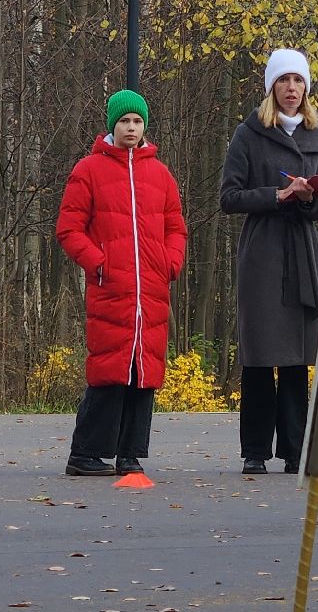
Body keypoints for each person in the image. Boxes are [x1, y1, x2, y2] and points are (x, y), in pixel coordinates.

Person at [56, 90, 188, 477]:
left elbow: (176, 227)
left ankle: (130, 454)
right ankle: (85, 454)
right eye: (124, 121)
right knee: (109, 369)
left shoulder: (160, 174)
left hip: (151, 289)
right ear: (112, 124)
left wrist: (170, 263)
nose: (131, 127)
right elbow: (69, 229)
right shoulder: (89, 170)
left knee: (143, 372)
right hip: (111, 286)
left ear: (145, 125)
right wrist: (99, 264)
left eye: (137, 121)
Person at [220, 48, 318, 475]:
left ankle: (294, 450)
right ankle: (255, 451)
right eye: (284, 81)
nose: (291, 88)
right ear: (272, 87)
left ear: (307, 88)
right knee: (260, 354)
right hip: (263, 254)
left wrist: (307, 199)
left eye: (298, 81)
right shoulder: (247, 134)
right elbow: (228, 197)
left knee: (296, 358)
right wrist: (276, 195)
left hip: (303, 253)